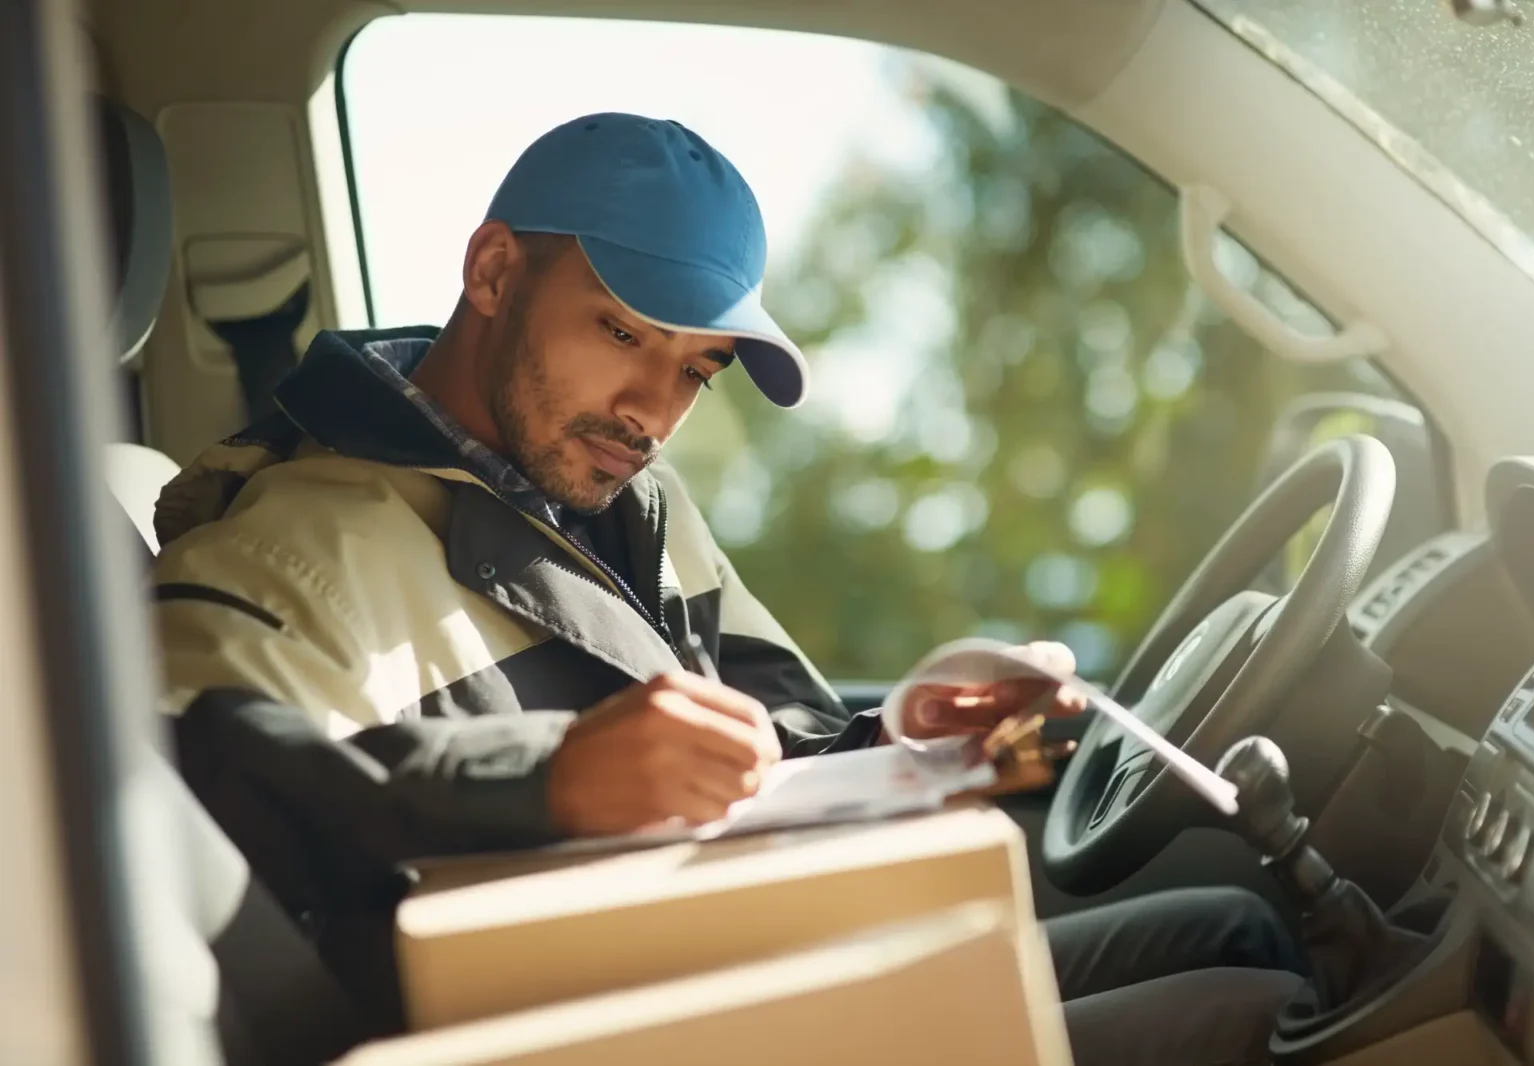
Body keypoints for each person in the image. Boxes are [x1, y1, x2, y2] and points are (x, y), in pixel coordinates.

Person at [153, 112, 1301, 1063]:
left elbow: (785, 750)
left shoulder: (633, 508)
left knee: (1238, 927)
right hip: (591, 1020)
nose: (652, 411)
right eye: (622, 333)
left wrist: (918, 734)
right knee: (1246, 1020)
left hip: (747, 942)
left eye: (695, 368)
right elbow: (178, 788)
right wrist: (546, 780)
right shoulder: (293, 544)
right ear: (494, 271)